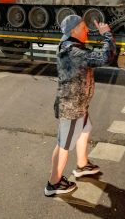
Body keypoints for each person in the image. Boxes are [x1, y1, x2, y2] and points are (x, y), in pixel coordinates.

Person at [45, 15, 116, 197]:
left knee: (85, 129)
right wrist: (106, 35)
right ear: (73, 31)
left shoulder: (74, 47)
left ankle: (82, 165)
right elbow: (103, 57)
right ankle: (53, 183)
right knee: (63, 145)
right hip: (71, 108)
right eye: (83, 27)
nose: (86, 31)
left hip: (79, 104)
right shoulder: (72, 51)